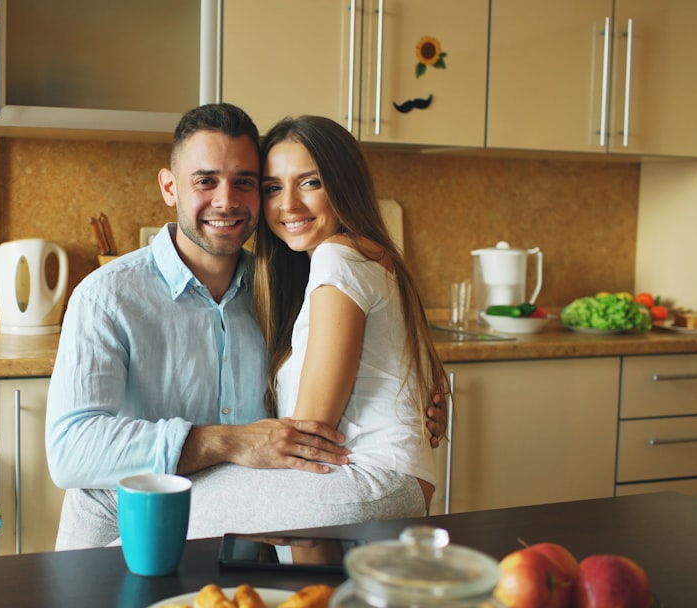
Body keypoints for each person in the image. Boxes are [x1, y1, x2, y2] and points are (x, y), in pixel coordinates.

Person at [46, 104, 445, 550]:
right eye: (206, 181)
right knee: (95, 492)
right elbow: (70, 452)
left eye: (245, 183)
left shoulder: (288, 283)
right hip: (279, 492)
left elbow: (354, 381)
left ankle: (92, 580)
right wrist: (229, 442)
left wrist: (418, 401)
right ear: (169, 187)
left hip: (319, 489)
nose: (226, 201)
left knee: (135, 524)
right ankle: (79, 583)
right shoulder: (107, 296)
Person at [180, 115, 446, 538]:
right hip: (371, 479)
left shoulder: (337, 257)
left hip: (364, 478)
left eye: (310, 183)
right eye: (273, 188)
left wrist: (224, 447)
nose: (289, 204)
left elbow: (308, 432)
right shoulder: (356, 259)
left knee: (162, 518)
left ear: (343, 186)